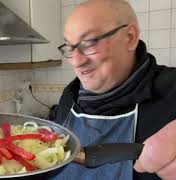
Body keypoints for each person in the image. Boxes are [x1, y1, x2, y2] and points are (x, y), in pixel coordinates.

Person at [52, 0, 176, 180]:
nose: (76, 62)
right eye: (70, 48)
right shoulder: (69, 97)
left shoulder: (171, 90)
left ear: (130, 37)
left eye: (90, 43)